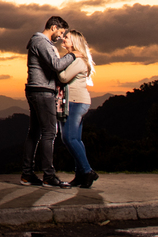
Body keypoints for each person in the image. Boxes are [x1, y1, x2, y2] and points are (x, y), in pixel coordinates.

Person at [20, 15, 83, 188]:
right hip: (42, 92)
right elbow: (56, 65)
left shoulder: (40, 42)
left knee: (34, 132)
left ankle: (27, 174)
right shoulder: (41, 42)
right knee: (49, 133)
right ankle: (48, 176)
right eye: (61, 33)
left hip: (36, 90)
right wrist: (72, 55)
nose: (61, 37)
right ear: (53, 27)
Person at [58, 29, 99, 188]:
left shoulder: (78, 60)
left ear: (74, 42)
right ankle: (81, 175)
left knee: (68, 138)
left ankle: (88, 171)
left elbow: (63, 77)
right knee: (76, 139)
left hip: (76, 102)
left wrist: (57, 67)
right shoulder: (74, 58)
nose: (63, 39)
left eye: (67, 37)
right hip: (75, 102)